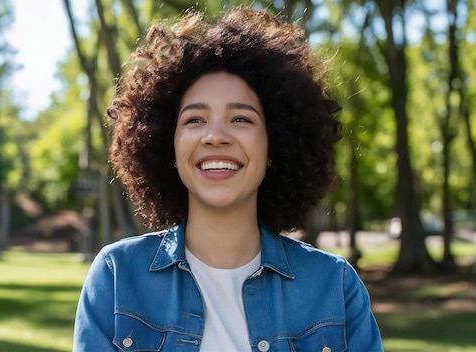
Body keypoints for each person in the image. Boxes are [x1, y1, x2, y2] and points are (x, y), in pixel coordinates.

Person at [74, 6, 383, 352]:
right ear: (168, 148)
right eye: (194, 120)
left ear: (274, 145)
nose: (216, 136)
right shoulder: (117, 278)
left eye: (241, 119)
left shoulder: (334, 286)